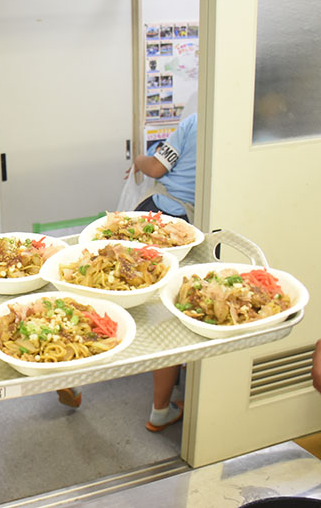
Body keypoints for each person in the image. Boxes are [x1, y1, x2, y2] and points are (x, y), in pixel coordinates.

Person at [131, 111, 198, 432]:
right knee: (167, 310)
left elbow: (157, 167)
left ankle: (73, 378)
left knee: (112, 289)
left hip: (158, 217)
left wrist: (138, 159)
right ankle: (161, 408)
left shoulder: (194, 122)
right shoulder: (254, 131)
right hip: (188, 229)